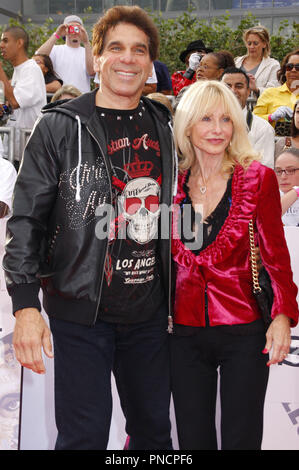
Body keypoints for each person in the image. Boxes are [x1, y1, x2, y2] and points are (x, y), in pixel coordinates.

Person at [4, 6, 174, 451]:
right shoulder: (59, 126)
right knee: (83, 437)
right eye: (116, 47)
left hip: (151, 314)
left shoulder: (166, 126)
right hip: (81, 310)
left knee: (155, 435)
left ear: (150, 62)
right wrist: (25, 306)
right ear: (96, 59)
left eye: (139, 50)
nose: (128, 59)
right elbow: (26, 220)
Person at [170, 80, 298, 450]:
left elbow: (276, 256)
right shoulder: (169, 182)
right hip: (182, 331)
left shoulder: (259, 179)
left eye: (226, 119)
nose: (216, 129)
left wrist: (281, 317)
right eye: (206, 119)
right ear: (187, 124)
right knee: (192, 437)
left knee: (242, 437)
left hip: (244, 328)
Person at [0, 26, 46, 161]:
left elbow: (16, 101)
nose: (1, 45)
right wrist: (5, 110)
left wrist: (1, 72)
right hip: (16, 151)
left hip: (30, 154)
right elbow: (14, 106)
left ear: (19, 43)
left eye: (6, 40)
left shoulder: (31, 69)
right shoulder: (19, 70)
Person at [222, 66, 275, 168]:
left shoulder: (262, 128)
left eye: (239, 86)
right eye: (227, 86)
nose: (233, 91)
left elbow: (264, 171)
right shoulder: (206, 124)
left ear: (248, 92)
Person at [36, 15, 94, 93]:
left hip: (81, 98)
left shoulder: (87, 52)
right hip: (60, 97)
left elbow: (92, 72)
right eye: (71, 29)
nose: (74, 32)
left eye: (77, 29)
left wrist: (86, 42)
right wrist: (57, 34)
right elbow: (38, 57)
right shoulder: (56, 49)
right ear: (65, 30)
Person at [253, 48, 299, 136]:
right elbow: (254, 120)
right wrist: (271, 117)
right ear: (285, 71)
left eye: (298, 67)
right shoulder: (269, 93)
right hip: (272, 144)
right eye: (289, 67)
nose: (293, 70)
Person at [235, 25, 280, 97]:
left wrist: (256, 89)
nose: (252, 47)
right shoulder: (237, 62)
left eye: (255, 43)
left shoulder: (273, 65)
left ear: (264, 44)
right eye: (249, 43)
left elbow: (274, 92)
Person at [274, 148, 299, 226]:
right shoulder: (266, 196)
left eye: (291, 170)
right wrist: (296, 192)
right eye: (278, 171)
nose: (283, 176)